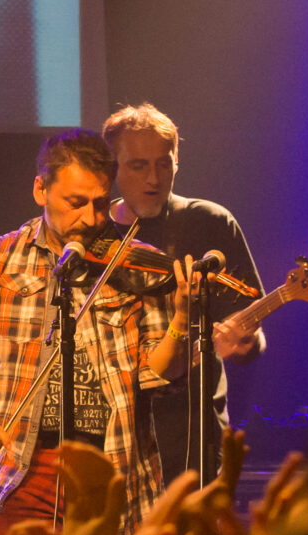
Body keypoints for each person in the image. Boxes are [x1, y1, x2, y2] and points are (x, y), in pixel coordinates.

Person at [0, 128, 196, 535]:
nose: (91, 218)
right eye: (75, 202)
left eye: (101, 203)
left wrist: (180, 319)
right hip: (24, 469)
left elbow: (157, 376)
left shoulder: (136, 263)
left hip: (114, 469)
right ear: (41, 189)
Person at [100, 102, 266, 476]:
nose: (154, 179)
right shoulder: (93, 232)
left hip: (192, 433)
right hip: (113, 435)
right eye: (138, 166)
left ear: (177, 162)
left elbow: (251, 335)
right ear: (113, 168)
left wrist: (245, 342)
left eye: (164, 164)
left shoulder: (209, 222)